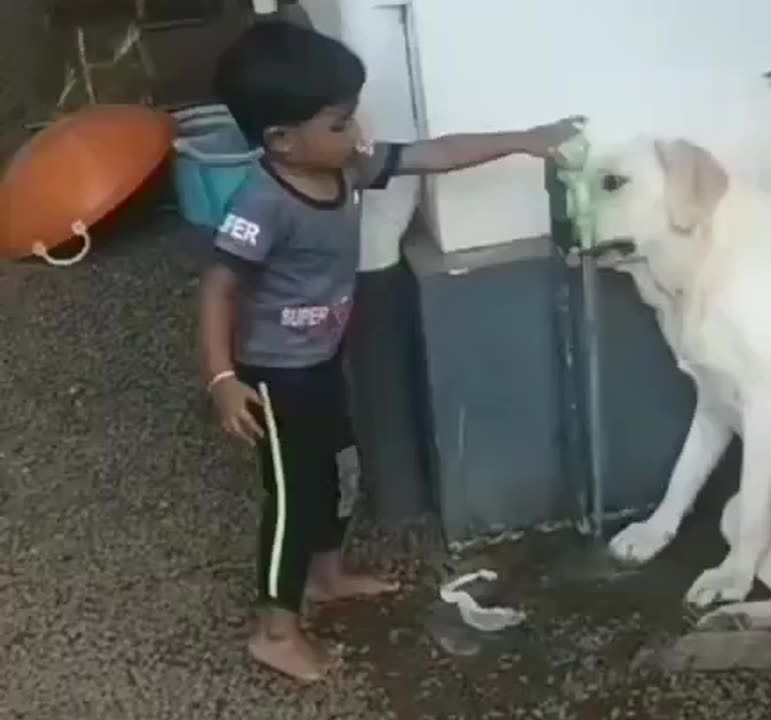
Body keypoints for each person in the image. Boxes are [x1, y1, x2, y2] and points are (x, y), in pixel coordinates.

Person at [198, 20, 581, 682]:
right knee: (292, 496)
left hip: (319, 363)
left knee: (338, 473)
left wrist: (527, 140)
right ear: (282, 140)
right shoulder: (262, 202)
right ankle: (275, 630)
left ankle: (326, 575)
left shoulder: (344, 168)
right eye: (341, 123)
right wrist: (222, 378)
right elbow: (217, 289)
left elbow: (437, 153)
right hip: (272, 377)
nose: (358, 135)